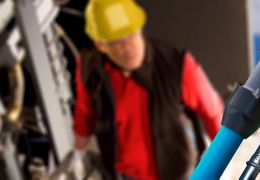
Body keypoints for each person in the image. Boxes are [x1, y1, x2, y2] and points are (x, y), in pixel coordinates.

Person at [71, 0, 224, 179]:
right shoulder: (90, 68)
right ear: (100, 45)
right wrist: (78, 154)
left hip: (175, 172)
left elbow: (213, 113)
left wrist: (223, 162)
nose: (127, 46)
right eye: (116, 41)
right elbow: (84, 113)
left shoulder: (178, 67)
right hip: (120, 174)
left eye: (131, 34)